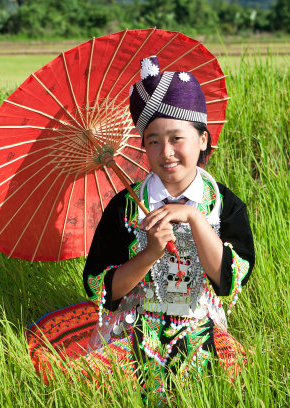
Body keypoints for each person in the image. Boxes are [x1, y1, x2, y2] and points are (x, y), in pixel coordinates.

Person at [80, 56, 255, 396]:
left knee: (221, 390)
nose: (166, 152)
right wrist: (150, 253)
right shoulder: (125, 207)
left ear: (203, 140)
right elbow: (100, 289)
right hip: (133, 331)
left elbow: (231, 281)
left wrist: (193, 218)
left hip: (201, 329)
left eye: (177, 138)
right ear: (143, 146)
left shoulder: (223, 205)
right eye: (154, 141)